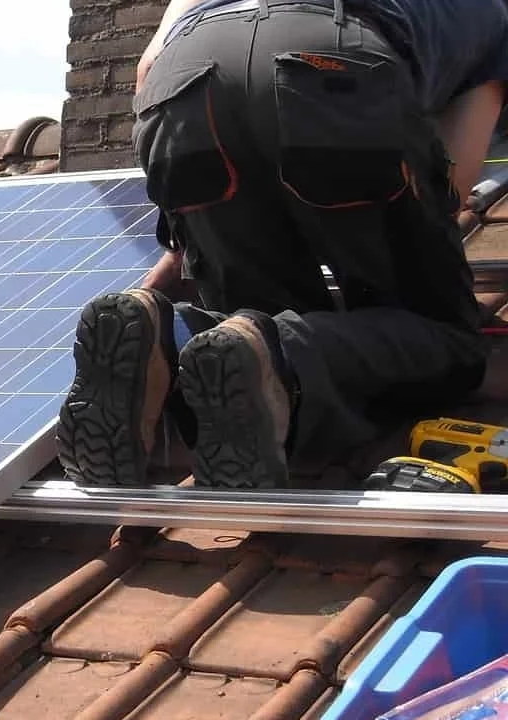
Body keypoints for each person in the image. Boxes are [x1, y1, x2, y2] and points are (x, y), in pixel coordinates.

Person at [56, 0, 505, 491]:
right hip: (332, 64)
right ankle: (287, 360)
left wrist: (188, 234)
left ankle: (169, 334)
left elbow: (148, 69)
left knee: (252, 325)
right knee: (444, 336)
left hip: (181, 78)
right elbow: (451, 183)